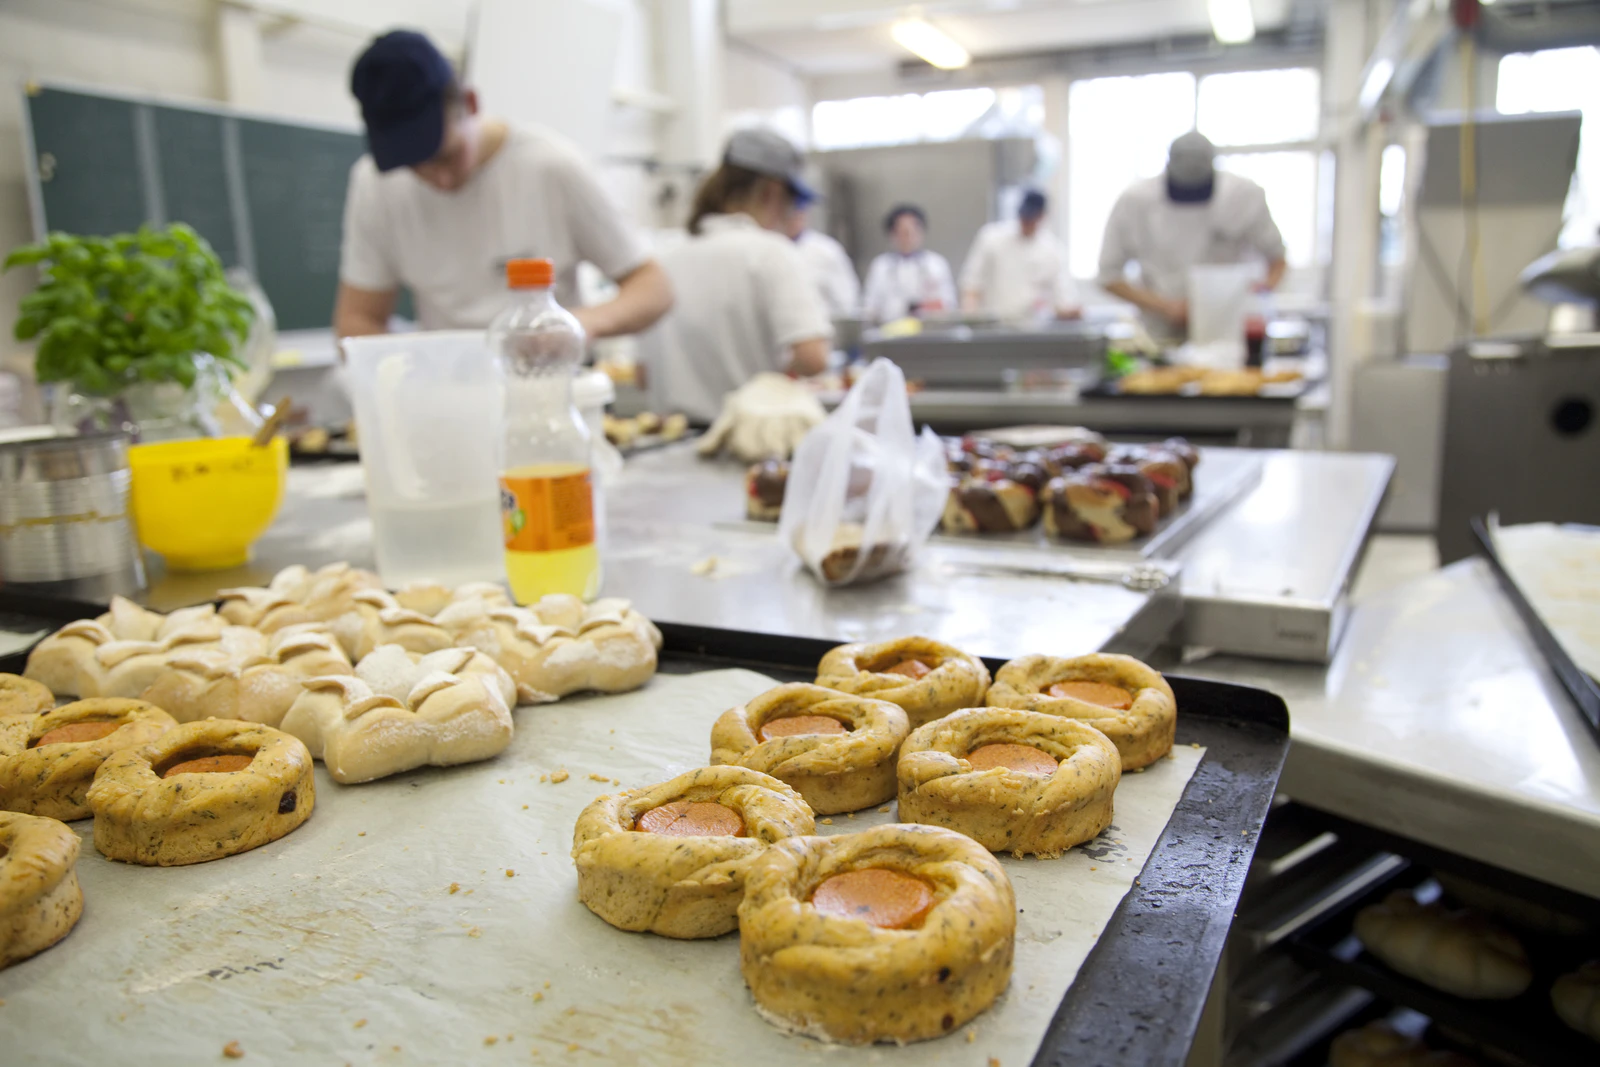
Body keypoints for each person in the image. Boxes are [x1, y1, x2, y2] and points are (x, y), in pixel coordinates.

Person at [334, 30, 672, 339]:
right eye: (414, 166)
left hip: (549, 381)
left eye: (446, 157)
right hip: (449, 386)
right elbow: (358, 319)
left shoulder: (551, 168)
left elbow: (653, 287)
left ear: (470, 104)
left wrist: (573, 327)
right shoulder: (376, 185)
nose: (440, 179)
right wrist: (403, 371)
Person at [641, 128, 832, 427]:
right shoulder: (770, 253)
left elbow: (642, 375)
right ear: (771, 191)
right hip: (750, 442)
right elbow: (813, 358)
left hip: (671, 443)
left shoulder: (661, 260)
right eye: (790, 203)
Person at [1098, 131, 1286, 339]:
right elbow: (1108, 276)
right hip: (1160, 332)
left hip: (1228, 334)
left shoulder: (1244, 196)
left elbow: (1277, 258)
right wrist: (1166, 307)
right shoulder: (1135, 201)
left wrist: (1259, 294)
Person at [959, 190, 1081, 322]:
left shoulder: (1053, 250)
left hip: (1032, 329)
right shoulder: (991, 238)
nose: (1026, 222)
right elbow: (971, 284)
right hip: (993, 325)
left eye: (1031, 218)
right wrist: (971, 318)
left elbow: (1062, 298)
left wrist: (1068, 310)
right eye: (1024, 216)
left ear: (1042, 216)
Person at [861, 204, 957, 323]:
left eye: (913, 231)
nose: (908, 238)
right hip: (889, 331)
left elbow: (948, 305)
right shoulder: (881, 266)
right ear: (892, 235)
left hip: (928, 332)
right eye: (903, 232)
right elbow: (870, 308)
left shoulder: (936, 264)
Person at [784, 203, 860, 317]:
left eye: (797, 213)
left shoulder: (826, 250)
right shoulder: (768, 246)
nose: (793, 219)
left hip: (820, 324)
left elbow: (846, 299)